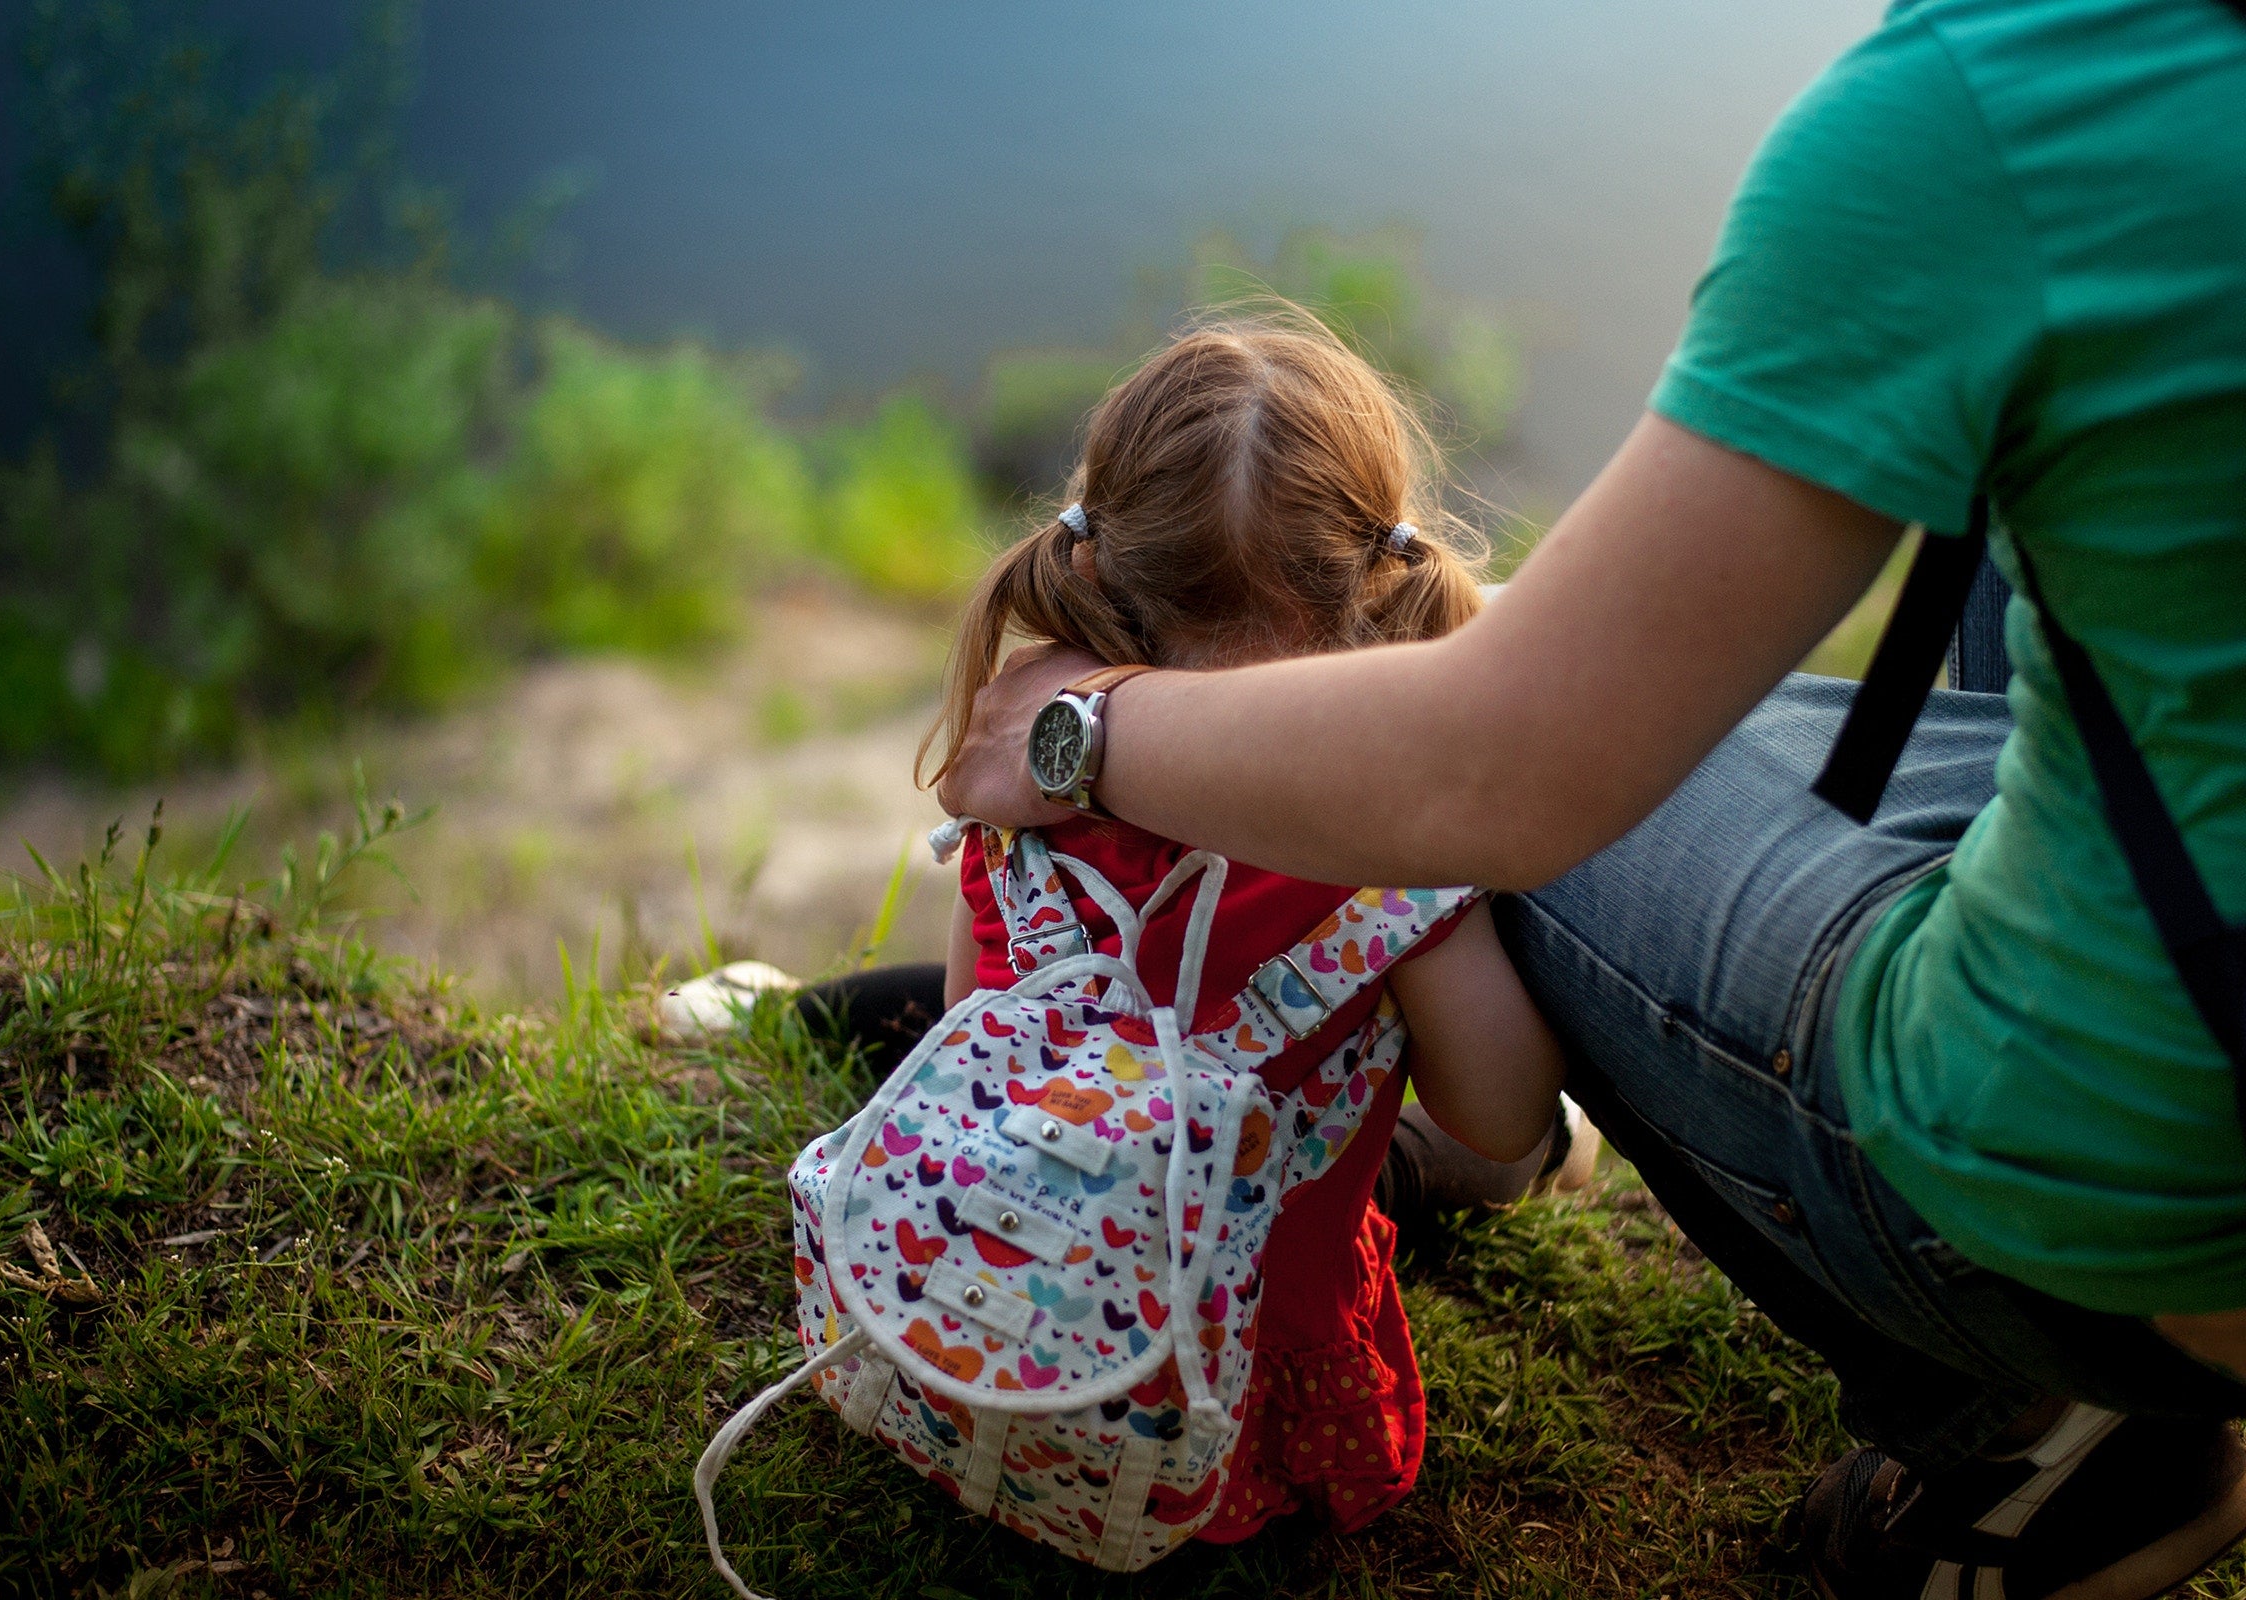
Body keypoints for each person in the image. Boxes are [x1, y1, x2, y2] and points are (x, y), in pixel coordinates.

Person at [931, 3, 2246, 1596]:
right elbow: (1500, 1116)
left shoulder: (2026, 92)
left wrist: (1084, 735)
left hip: (2183, 1218)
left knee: (1542, 793)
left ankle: (2042, 1405)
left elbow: (1494, 767)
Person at [914, 313, 1569, 1542]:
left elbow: (972, 1049)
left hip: (1004, 1346)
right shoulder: (1389, 860)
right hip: (1240, 1434)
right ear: (1376, 578)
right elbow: (1500, 1116)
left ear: (1102, 566)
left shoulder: (1020, 803)